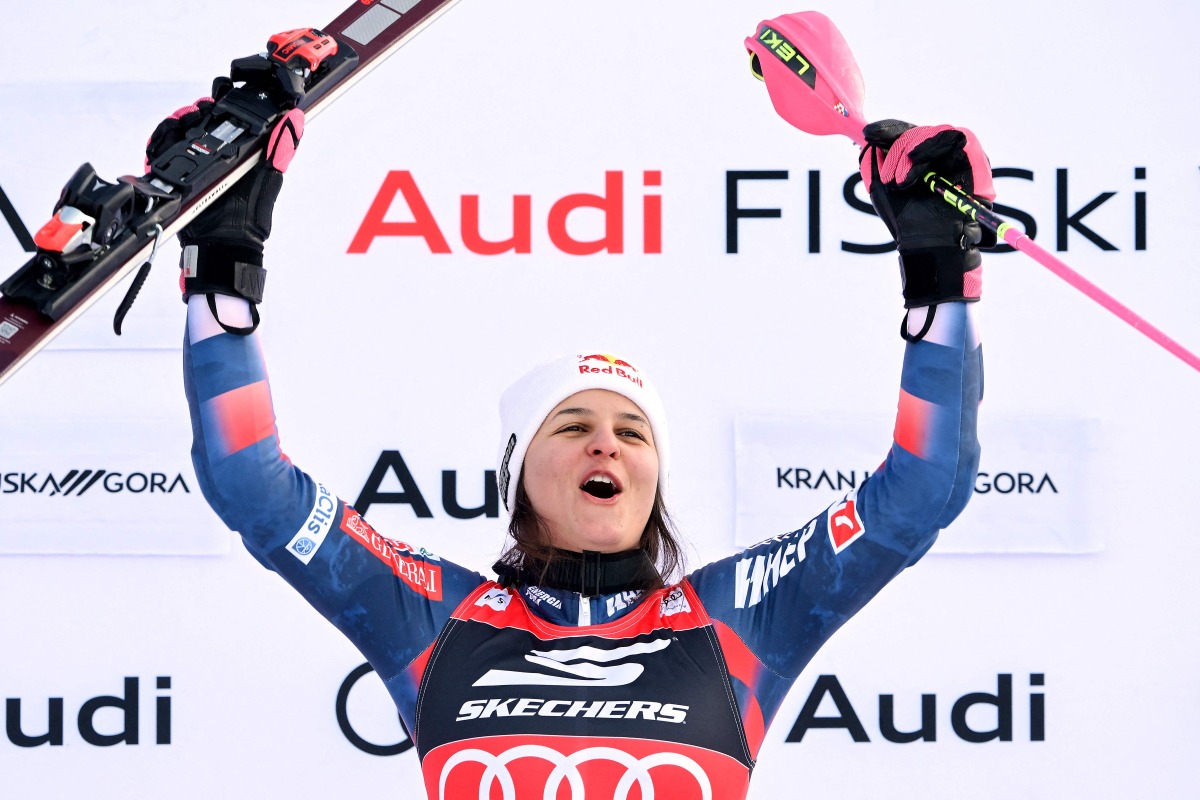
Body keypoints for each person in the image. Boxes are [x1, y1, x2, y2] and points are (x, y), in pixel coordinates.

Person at [160, 23, 993, 800]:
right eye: (574, 426)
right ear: (519, 474)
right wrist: (224, 272)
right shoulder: (437, 620)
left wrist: (940, 285)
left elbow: (924, 492)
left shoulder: (738, 615)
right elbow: (250, 483)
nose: (609, 446)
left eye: (634, 433)